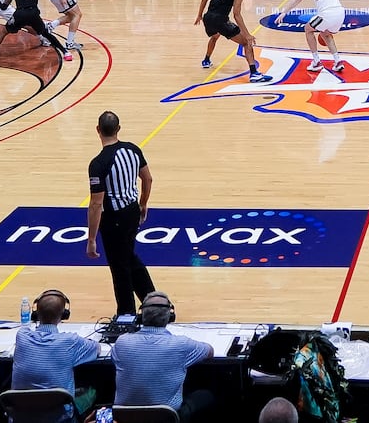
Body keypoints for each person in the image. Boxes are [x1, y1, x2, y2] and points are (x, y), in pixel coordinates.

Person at [86, 110, 156, 315]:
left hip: (114, 219)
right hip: (132, 212)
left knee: (120, 268)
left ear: (98, 130)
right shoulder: (133, 149)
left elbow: (96, 204)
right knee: (128, 258)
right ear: (118, 129)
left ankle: (127, 314)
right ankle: (154, 303)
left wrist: (91, 238)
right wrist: (143, 203)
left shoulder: (98, 163)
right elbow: (148, 179)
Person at [112, 291, 216, 423]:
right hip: (166, 418)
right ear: (170, 316)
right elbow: (210, 351)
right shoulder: (181, 344)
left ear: (141, 315)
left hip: (125, 418)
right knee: (207, 394)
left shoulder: (122, 343)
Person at [11, 290, 102, 422]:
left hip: (22, 417)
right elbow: (96, 348)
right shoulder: (70, 341)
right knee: (95, 389)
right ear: (64, 315)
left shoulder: (22, 336)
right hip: (60, 418)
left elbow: (25, 329)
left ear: (35, 314)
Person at [195, 0, 267, 80]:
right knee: (246, 43)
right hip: (221, 20)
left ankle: (206, 60)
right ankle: (254, 73)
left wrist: (199, 15)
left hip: (207, 18)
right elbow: (237, 15)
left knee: (215, 36)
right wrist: (247, 34)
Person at [275, 0, 346, 75]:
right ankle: (337, 61)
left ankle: (316, 62)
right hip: (340, 13)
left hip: (327, 14)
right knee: (325, 33)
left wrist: (284, 12)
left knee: (308, 29)